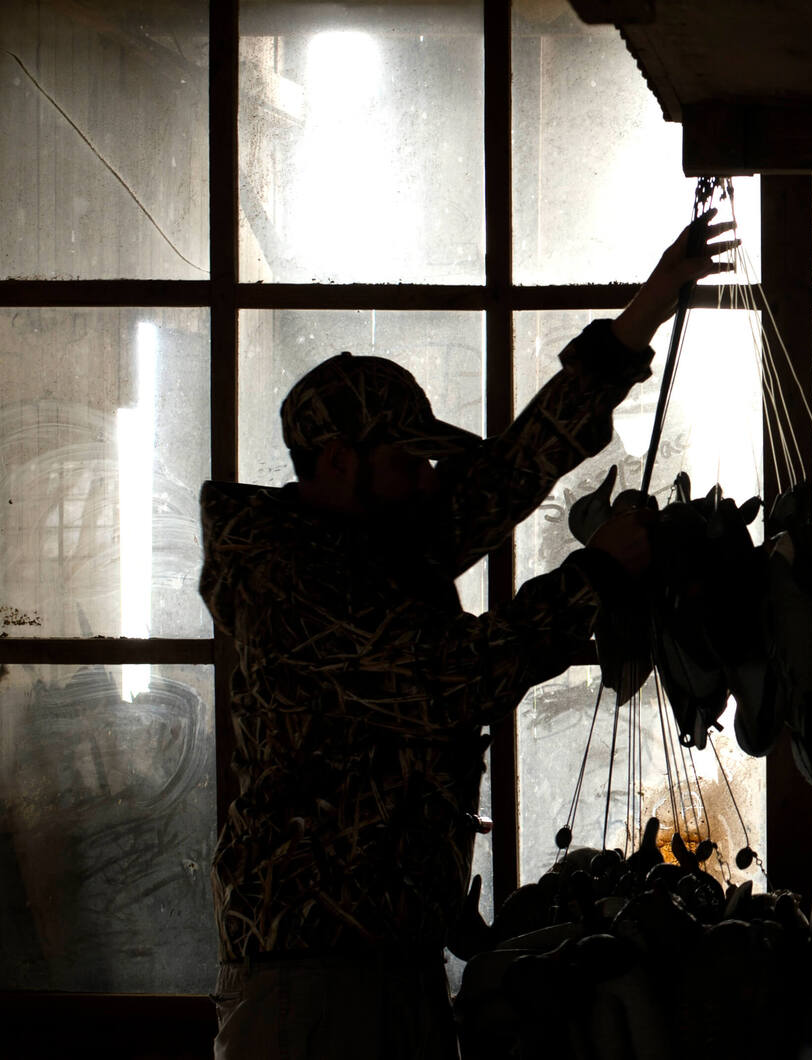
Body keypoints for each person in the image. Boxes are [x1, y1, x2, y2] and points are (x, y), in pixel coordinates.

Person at [199, 215, 736, 1059]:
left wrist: (650, 306)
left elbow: (515, 467)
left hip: (393, 957)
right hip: (311, 977)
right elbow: (444, 677)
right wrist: (592, 578)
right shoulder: (285, 581)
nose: (430, 481)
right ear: (337, 461)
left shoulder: (376, 538)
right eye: (408, 464)